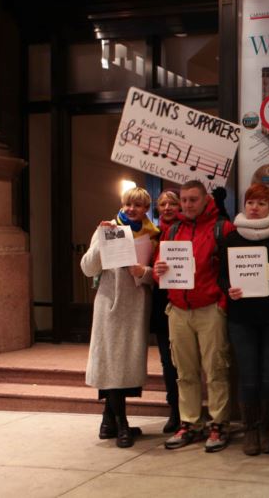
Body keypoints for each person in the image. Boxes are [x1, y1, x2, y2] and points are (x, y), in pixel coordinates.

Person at [154, 180, 236, 453]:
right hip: (178, 309)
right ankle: (189, 422)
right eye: (184, 200)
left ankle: (218, 424)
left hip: (210, 308)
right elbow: (158, 268)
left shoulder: (222, 228)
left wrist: (222, 304)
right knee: (184, 372)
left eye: (193, 199)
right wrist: (159, 269)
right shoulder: (172, 229)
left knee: (216, 370)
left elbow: (231, 270)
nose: (188, 205)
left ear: (205, 200)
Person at [217, 183, 269, 456]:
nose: (254, 207)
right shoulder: (231, 237)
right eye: (250, 202)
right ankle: (250, 430)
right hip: (242, 317)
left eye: (261, 203)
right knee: (249, 375)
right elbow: (221, 274)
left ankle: (265, 429)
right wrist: (230, 287)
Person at [80, 187, 159, 448]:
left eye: (137, 206)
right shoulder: (108, 228)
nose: (131, 209)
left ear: (145, 209)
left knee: (123, 366)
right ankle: (122, 424)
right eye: (127, 204)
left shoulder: (151, 234)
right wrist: (103, 242)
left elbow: (155, 275)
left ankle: (107, 422)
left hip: (135, 307)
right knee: (113, 365)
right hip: (110, 306)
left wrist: (144, 271)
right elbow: (87, 267)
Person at [151, 190, 180, 433]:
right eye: (163, 204)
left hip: (183, 299)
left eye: (173, 203)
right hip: (161, 301)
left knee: (186, 360)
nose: (168, 207)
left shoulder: (187, 229)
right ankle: (174, 410)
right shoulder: (152, 233)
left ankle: (189, 409)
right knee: (167, 361)